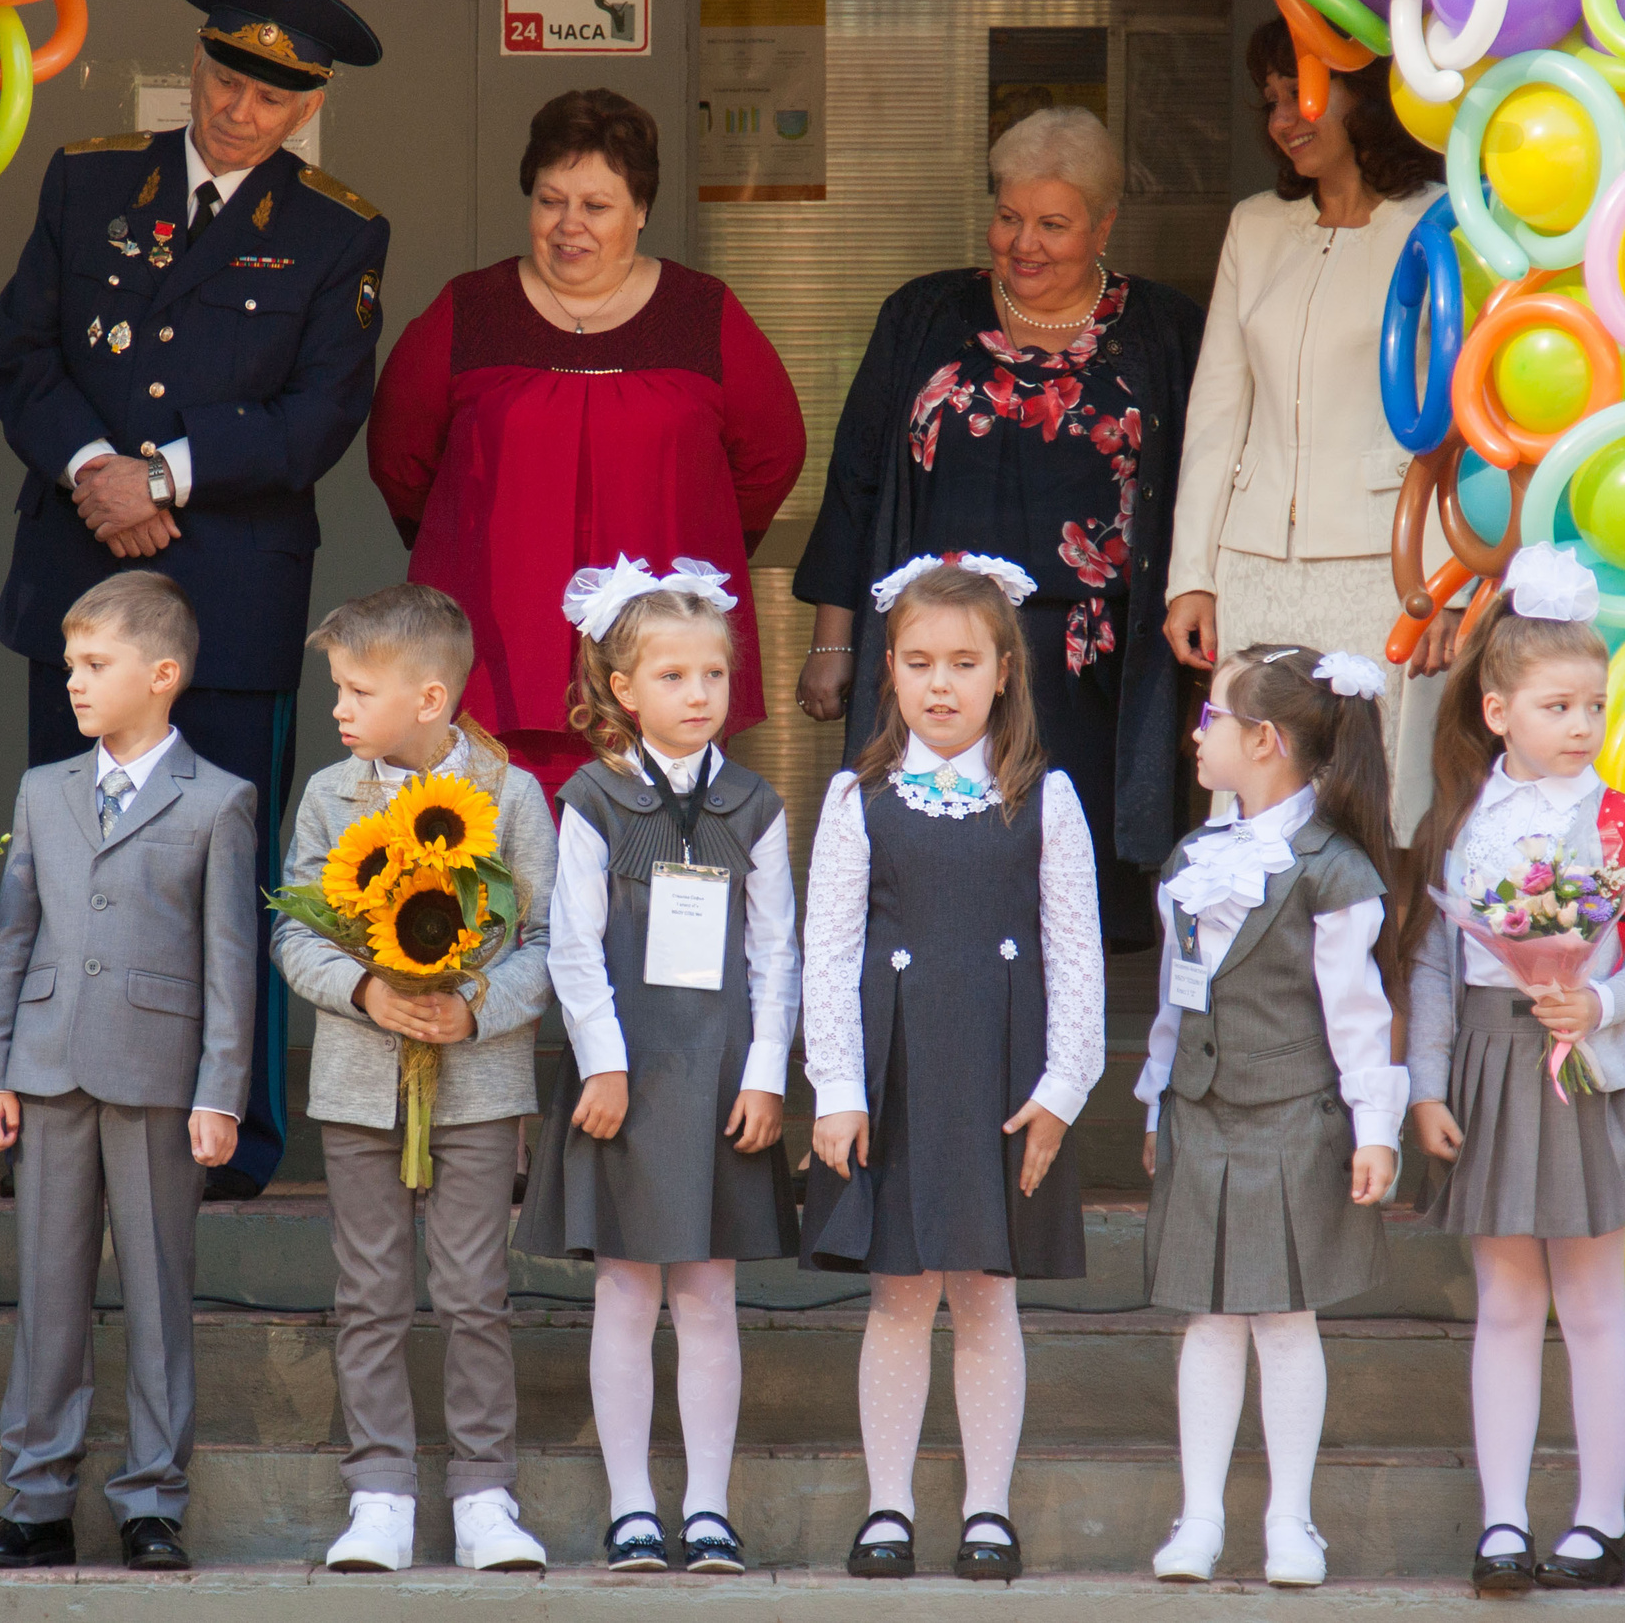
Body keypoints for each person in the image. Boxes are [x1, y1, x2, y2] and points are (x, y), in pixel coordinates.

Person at [0, 0, 388, 1199]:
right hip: (78, 575)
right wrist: (98, 469)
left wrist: (160, 479)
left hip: (231, 595)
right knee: (66, 862)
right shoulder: (91, 177)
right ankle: (46, 1126)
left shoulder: (337, 228)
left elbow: (322, 414)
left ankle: (230, 1136)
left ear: (305, 103)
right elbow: (22, 355)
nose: (237, 109)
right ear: (198, 64)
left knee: (226, 874)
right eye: (224, 76)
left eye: (269, 96)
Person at [794, 106, 1202, 943]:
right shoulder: (923, 315)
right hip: (936, 662)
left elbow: (1205, 486)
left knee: (1075, 907)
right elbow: (857, 481)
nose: (1026, 243)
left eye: (1053, 224)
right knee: (934, 896)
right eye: (1009, 217)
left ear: (1104, 225)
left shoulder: (1164, 330)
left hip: (1093, 670)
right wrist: (834, 644)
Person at [799, 555, 1105, 1582]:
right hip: (896, 1073)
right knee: (896, 1292)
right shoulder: (857, 797)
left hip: (1001, 1076)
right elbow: (828, 953)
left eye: (963, 663)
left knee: (982, 1290)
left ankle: (986, 1507)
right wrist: (837, 1088)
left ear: (1004, 670)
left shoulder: (1045, 798)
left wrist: (1061, 1089)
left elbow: (1075, 954)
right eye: (920, 662)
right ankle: (886, 1505)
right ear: (887, 668)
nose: (941, 683)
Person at [368, 89, 805, 798]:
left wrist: (697, 539)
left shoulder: (703, 314)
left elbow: (770, 457)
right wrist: (478, 546)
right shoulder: (469, 310)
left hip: (658, 671)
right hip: (492, 667)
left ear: (640, 211)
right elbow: (401, 459)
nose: (569, 226)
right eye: (550, 201)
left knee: (646, 879)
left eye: (595, 206)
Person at [1400, 546, 1625, 1594]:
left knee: (1592, 1298)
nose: (1582, 724)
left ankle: (1598, 1522)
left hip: (1591, 1072)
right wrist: (1424, 1083)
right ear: (1495, 709)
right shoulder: (1457, 824)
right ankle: (1501, 1520)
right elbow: (1434, 964)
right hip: (1488, 1063)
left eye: (1594, 704)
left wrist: (1600, 998)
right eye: (1558, 703)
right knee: (1507, 1300)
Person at [0, 573, 257, 1574]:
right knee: (48, 1287)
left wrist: (222, 1090)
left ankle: (152, 1498)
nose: (76, 682)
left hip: (163, 1079)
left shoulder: (219, 799)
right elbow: (14, 934)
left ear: (161, 675)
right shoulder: (44, 788)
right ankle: (36, 1496)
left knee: (160, 1292)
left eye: (96, 664)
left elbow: (231, 959)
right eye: (72, 664)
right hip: (45, 1069)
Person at [514, 560, 800, 1575]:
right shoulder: (592, 798)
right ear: (622, 689)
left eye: (713, 675)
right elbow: (572, 945)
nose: (697, 695)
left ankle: (709, 1504)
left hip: (721, 1077)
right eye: (673, 676)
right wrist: (602, 1062)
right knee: (628, 1293)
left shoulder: (755, 805)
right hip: (625, 1080)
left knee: (710, 1291)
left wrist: (766, 1072)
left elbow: (777, 952)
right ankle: (633, 1504)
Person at [274, 583, 554, 1575]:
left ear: (429, 697)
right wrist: (361, 987)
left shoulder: (510, 796)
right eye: (337, 688)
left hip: (477, 1086)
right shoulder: (326, 794)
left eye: (357, 689)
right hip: (358, 1084)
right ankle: (380, 1490)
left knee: (474, 1289)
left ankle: (484, 1492)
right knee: (370, 1291)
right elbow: (294, 930)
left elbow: (544, 940)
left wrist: (476, 1006)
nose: (340, 708)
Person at [1134, 645, 1406, 1589]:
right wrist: (1154, 1093)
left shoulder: (1332, 869)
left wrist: (1377, 1127)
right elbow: (1177, 996)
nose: (1196, 734)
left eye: (1212, 719)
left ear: (1264, 740)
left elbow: (1357, 1011)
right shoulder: (1197, 856)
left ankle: (1291, 1519)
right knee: (1208, 1317)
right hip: (1201, 1114)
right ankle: (1199, 1517)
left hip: (1295, 1113)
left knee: (1286, 1319)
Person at [1164, 24, 1453, 834]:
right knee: (1253, 799)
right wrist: (1194, 573)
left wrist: (1447, 587)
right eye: (1272, 101)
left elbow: (1463, 417)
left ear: (1367, 93)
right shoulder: (1253, 226)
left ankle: (1379, 966)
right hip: (1255, 564)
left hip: (1390, 568)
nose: (1285, 118)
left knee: (1383, 800)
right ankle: (1257, 964)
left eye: (1303, 94)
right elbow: (1217, 411)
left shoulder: (1440, 222)